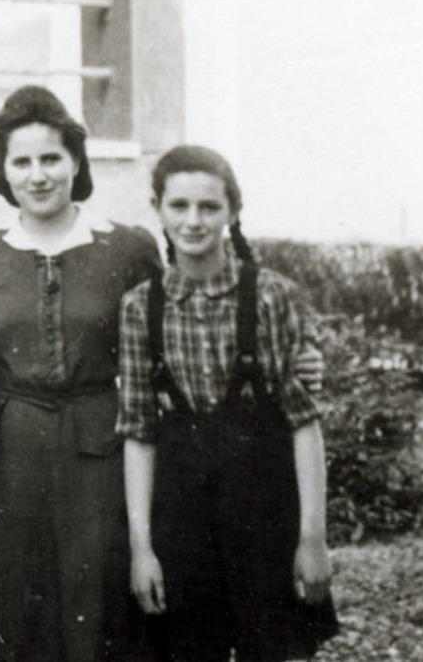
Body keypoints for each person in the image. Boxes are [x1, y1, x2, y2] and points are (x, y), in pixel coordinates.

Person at [0, 85, 163, 662]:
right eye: (21, 161)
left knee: (99, 598)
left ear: (76, 161)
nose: (38, 175)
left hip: (101, 450)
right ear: (3, 171)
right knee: (15, 603)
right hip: (12, 453)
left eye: (51, 158)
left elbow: (162, 353)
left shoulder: (128, 248)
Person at [119, 145, 340, 661]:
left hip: (265, 517)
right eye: (179, 206)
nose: (193, 221)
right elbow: (139, 435)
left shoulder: (270, 296)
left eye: (209, 207)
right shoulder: (140, 307)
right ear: (157, 209)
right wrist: (141, 549)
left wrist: (312, 539)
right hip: (183, 526)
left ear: (233, 211)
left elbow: (304, 425)